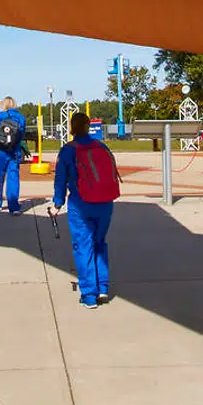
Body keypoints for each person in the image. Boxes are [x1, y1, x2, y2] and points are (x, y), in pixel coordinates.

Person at [50, 111, 119, 309]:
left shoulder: (68, 150)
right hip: (105, 202)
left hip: (81, 203)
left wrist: (57, 204)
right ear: (89, 126)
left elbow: (60, 180)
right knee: (99, 243)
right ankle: (103, 287)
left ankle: (89, 294)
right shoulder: (101, 147)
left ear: (72, 127)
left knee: (83, 246)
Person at [0, 96, 26, 214]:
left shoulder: (0, 116)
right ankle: (13, 206)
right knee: (13, 177)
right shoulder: (20, 117)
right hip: (14, 150)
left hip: (0, 150)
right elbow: (22, 133)